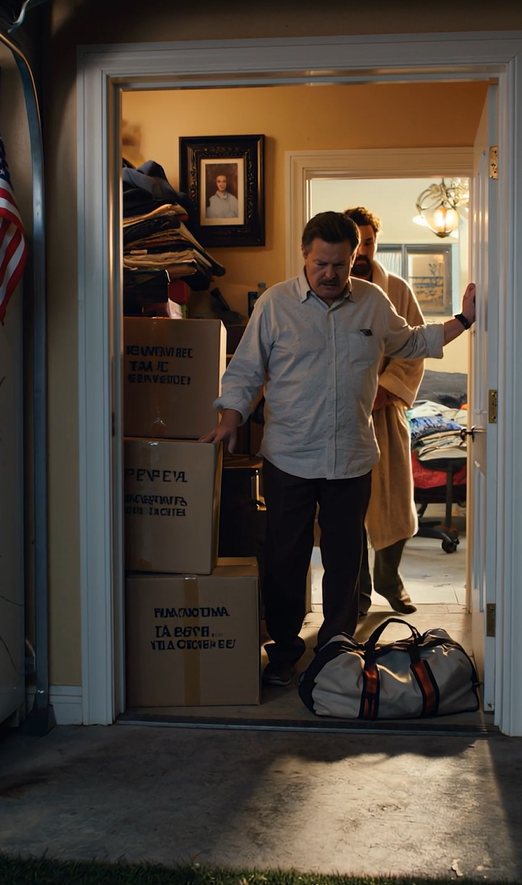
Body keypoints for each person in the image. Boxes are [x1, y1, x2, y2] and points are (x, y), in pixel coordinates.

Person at [199, 211, 476, 686]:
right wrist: (230, 417)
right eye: (320, 264)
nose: (329, 274)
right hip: (289, 456)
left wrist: (466, 319)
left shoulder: (372, 301)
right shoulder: (274, 305)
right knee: (286, 559)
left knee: (346, 564)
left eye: (340, 265)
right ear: (305, 256)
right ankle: (285, 652)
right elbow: (245, 371)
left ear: (355, 258)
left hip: (351, 457)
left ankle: (336, 653)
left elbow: (411, 342)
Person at [344, 206, 425, 617]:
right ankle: (357, 592)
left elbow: (412, 353)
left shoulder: (397, 291)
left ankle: (389, 579)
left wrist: (383, 391)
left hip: (385, 412)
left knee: (395, 502)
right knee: (349, 510)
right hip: (342, 418)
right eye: (356, 243)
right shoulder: (329, 289)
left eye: (369, 243)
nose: (363, 252)